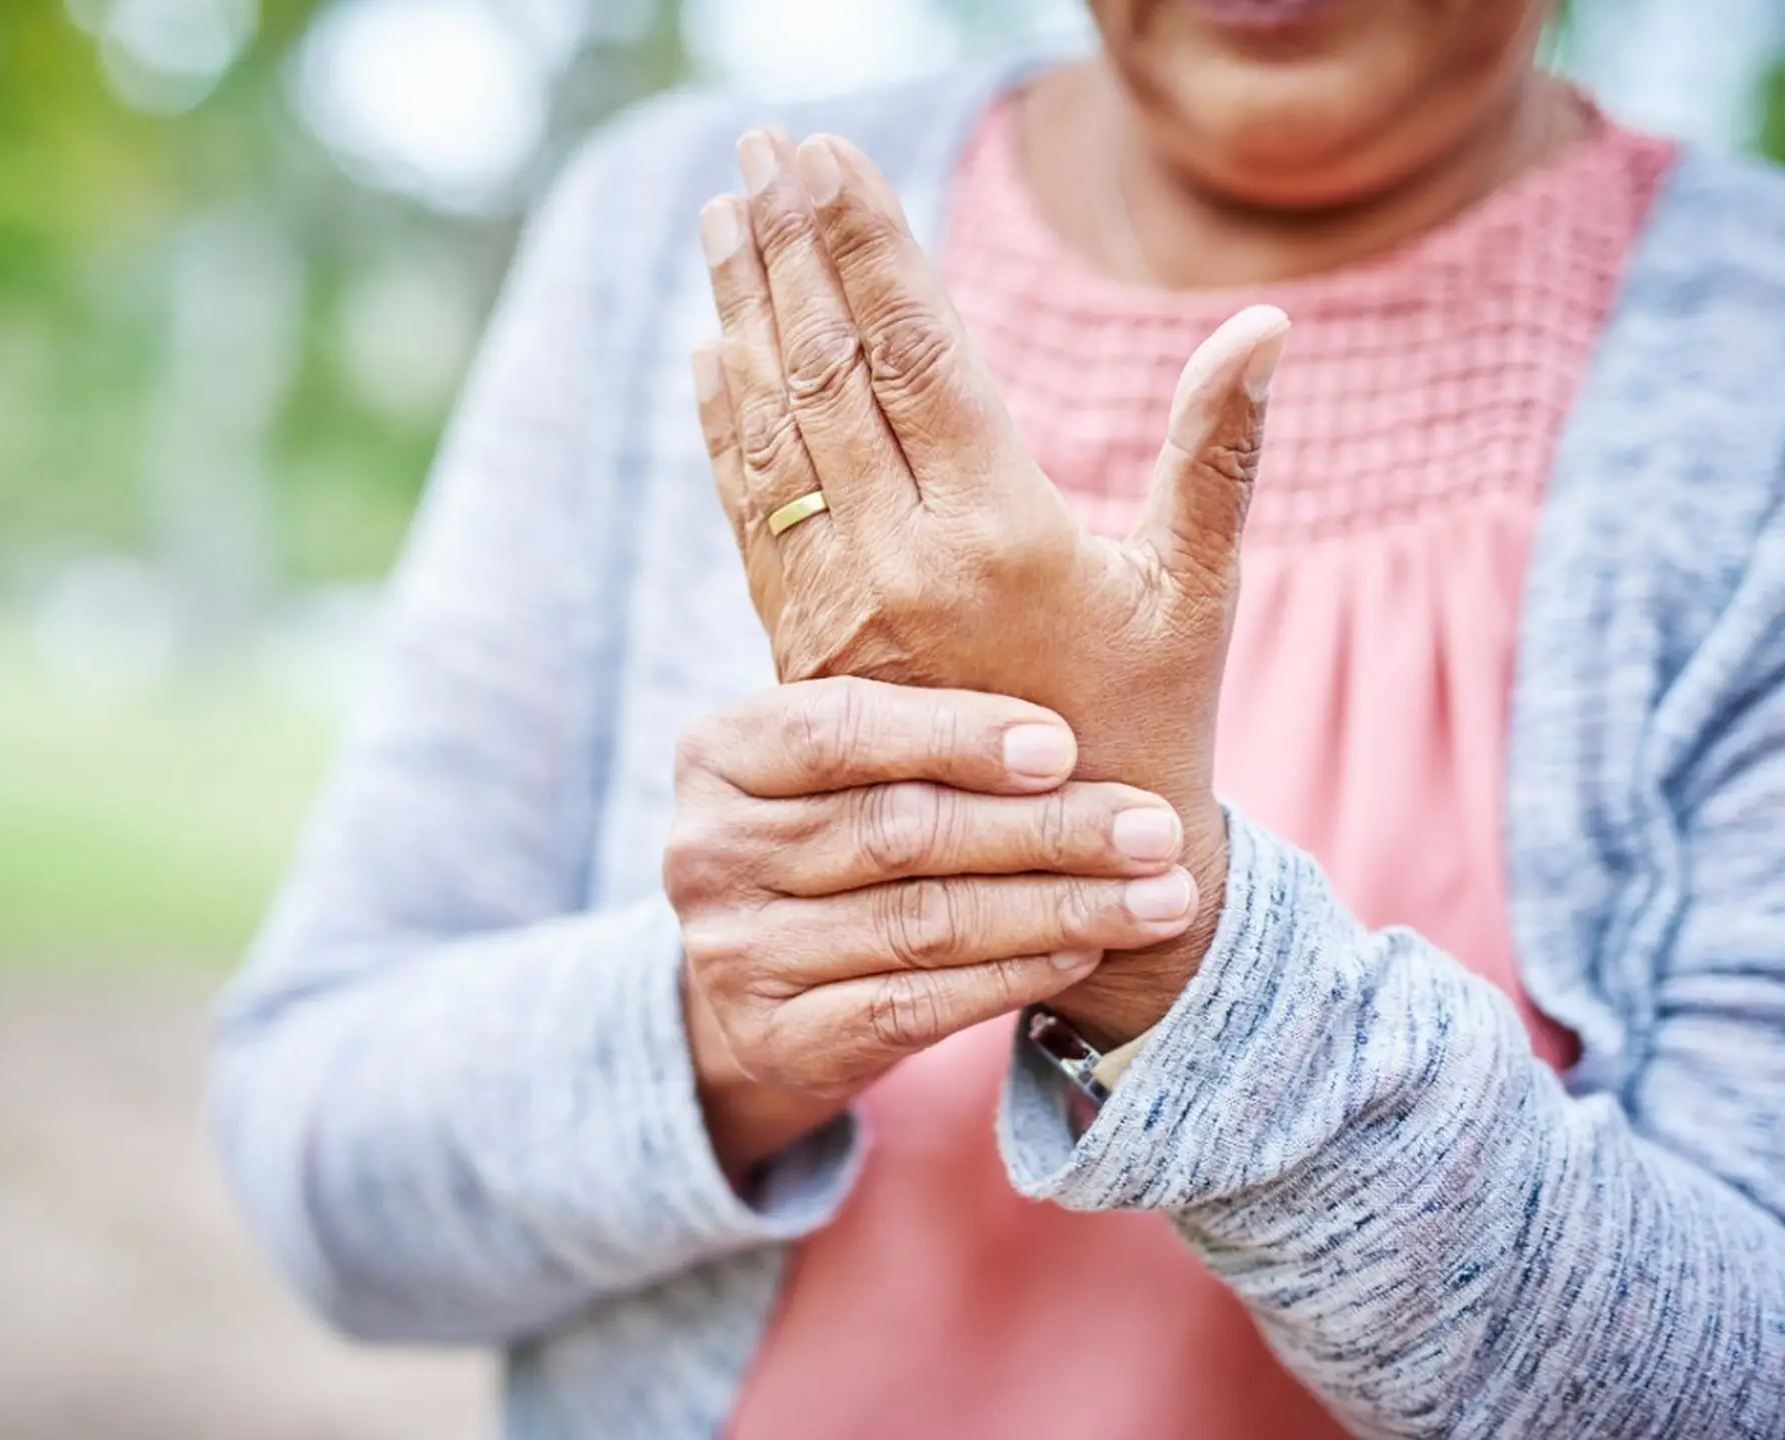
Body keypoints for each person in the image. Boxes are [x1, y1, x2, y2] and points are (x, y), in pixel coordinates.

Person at [212, 1, 1785, 1434]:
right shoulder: (679, 238)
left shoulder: (1747, 363)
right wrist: (714, 1032)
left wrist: (1179, 955)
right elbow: (326, 1180)